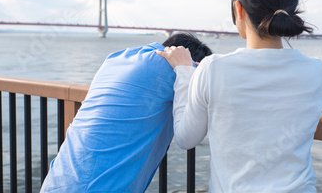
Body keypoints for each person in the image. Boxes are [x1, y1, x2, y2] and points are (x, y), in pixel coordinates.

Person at [157, 0, 322, 192]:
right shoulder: (318, 72)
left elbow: (186, 139)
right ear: (291, 9)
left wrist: (185, 71)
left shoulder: (213, 68)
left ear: (239, 9)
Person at [40, 33, 212, 193]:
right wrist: (187, 70)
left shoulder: (116, 58)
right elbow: (205, 101)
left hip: (55, 183)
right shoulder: (172, 67)